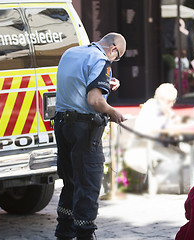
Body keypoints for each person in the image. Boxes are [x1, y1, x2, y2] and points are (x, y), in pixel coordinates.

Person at [54, 32, 126, 240]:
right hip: (85, 130)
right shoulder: (101, 60)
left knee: (70, 182)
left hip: (62, 125)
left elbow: (76, 83)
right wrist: (113, 112)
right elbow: (94, 100)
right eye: (117, 57)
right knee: (88, 183)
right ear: (113, 49)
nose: (113, 61)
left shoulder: (70, 53)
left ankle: (64, 232)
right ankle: (85, 234)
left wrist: (105, 83)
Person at [124, 83, 185, 194]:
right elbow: (147, 131)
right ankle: (155, 183)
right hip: (142, 149)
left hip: (154, 147)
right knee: (177, 156)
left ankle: (160, 182)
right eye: (169, 101)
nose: (171, 104)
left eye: (173, 101)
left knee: (180, 154)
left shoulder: (164, 109)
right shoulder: (151, 107)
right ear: (161, 99)